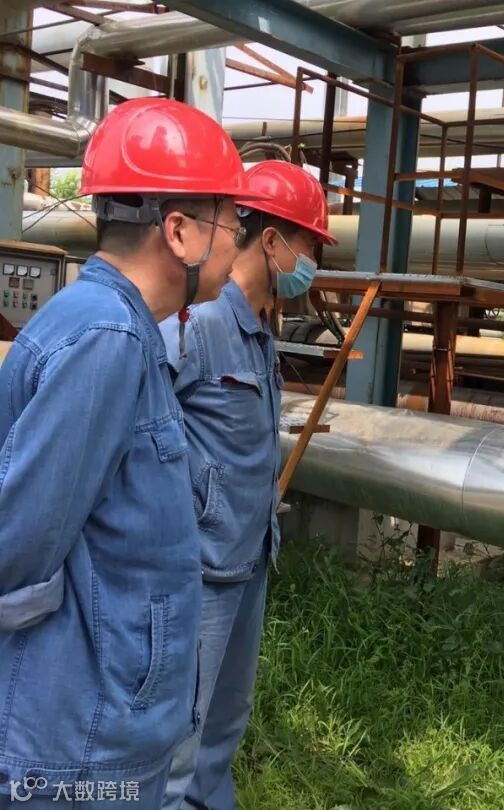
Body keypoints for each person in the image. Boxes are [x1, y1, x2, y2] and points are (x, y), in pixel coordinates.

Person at [0, 98, 256, 808]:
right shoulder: (107, 339)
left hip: (101, 723)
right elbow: (19, 542)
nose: (236, 246)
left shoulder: (121, 328)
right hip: (79, 745)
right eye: (232, 225)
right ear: (179, 231)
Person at [160, 160, 337, 810]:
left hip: (250, 557)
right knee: (180, 732)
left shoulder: (261, 330)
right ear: (272, 240)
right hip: (200, 569)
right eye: (310, 245)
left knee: (224, 721)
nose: (312, 263)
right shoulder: (199, 324)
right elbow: (141, 425)